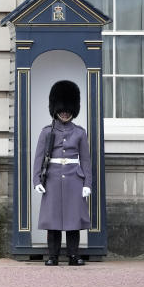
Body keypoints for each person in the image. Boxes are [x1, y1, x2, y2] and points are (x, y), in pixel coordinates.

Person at [32, 79, 92, 266]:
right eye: (62, 109)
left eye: (68, 110)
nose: (65, 113)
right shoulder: (47, 132)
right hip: (53, 179)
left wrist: (87, 184)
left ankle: (74, 256)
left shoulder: (80, 133)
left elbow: (86, 160)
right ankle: (53, 256)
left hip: (74, 179)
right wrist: (37, 181)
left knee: (74, 221)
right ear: (55, 109)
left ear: (73, 110)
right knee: (53, 221)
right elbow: (39, 158)